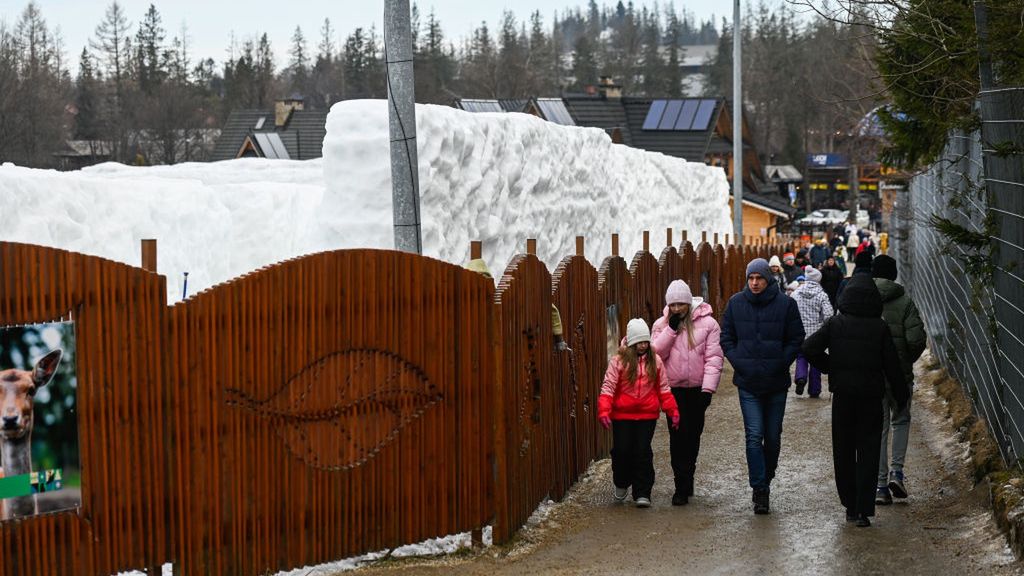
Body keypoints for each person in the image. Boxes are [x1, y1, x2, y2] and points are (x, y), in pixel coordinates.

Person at [802, 274, 909, 527]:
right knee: (869, 452)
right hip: (871, 398)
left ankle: (850, 505)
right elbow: (892, 365)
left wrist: (830, 367)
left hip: (843, 398)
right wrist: (901, 395)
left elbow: (808, 348)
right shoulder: (879, 327)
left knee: (844, 451)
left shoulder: (836, 324)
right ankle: (863, 510)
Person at [721, 258, 805, 515]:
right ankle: (760, 490)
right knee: (754, 435)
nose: (755, 283)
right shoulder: (736, 304)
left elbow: (795, 338)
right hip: (748, 383)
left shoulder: (786, 305)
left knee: (773, 437)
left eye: (759, 278)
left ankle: (766, 475)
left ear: (768, 279)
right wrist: (740, 362)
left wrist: (781, 362)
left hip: (776, 382)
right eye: (751, 278)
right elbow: (727, 338)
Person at [651, 280, 724, 506]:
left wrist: (708, 389)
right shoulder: (662, 325)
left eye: (680, 305)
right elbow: (655, 355)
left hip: (697, 391)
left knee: (693, 436)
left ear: (688, 303)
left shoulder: (709, 324)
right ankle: (680, 485)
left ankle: (688, 474)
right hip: (673, 390)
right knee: (676, 437)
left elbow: (713, 358)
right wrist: (671, 330)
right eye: (672, 305)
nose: (676, 309)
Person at [598, 318, 680, 508]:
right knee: (622, 450)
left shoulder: (655, 361)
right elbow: (608, 386)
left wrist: (672, 410)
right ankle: (621, 481)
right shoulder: (618, 361)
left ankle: (642, 491)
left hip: (647, 415)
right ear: (632, 342)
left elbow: (664, 388)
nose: (643, 345)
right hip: (622, 415)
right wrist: (604, 410)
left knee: (642, 451)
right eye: (639, 342)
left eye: (646, 341)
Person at [871, 255, 927, 505]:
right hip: (900, 376)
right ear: (893, 275)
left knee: (879, 428)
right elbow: (916, 340)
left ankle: (880, 485)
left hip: (873, 375)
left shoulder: (866, 300)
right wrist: (904, 360)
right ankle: (897, 473)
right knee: (901, 420)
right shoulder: (905, 302)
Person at [467, 257, 570, 353]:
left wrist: (558, 337)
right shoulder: (462, 301)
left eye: (482, 278)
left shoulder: (500, 299)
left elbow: (549, 308)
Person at [792, 266, 834, 397]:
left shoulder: (796, 293)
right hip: (816, 334)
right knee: (816, 361)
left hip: (799, 332)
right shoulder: (822, 295)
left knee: (801, 356)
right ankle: (814, 390)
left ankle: (801, 378)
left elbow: (790, 312)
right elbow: (828, 315)